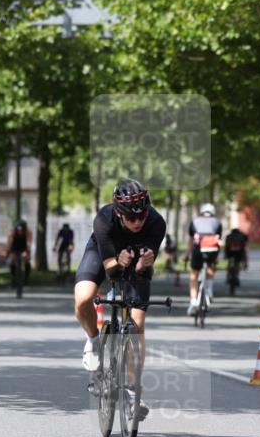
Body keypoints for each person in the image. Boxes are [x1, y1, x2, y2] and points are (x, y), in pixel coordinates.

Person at [73, 178, 166, 422]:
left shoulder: (156, 223)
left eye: (141, 217)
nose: (137, 223)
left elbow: (144, 272)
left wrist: (142, 265)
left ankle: (134, 391)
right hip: (105, 254)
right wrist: (119, 262)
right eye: (131, 218)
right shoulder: (104, 220)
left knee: (137, 324)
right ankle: (93, 340)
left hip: (135, 260)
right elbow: (110, 272)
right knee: (83, 299)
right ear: (118, 212)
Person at [187, 203, 222, 316]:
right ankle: (209, 291)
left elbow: (191, 240)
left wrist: (187, 254)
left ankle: (193, 302)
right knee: (211, 265)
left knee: (194, 275)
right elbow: (218, 241)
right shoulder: (217, 223)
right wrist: (217, 257)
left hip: (198, 249)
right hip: (212, 250)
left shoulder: (195, 222)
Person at [6, 219, 31, 285]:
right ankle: (13, 277)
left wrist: (27, 252)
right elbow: (10, 243)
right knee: (13, 260)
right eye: (19, 230)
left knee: (26, 259)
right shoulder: (12, 232)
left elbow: (28, 242)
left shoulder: (28, 232)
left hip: (23, 246)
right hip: (15, 246)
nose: (20, 231)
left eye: (22, 230)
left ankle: (26, 277)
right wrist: (8, 251)